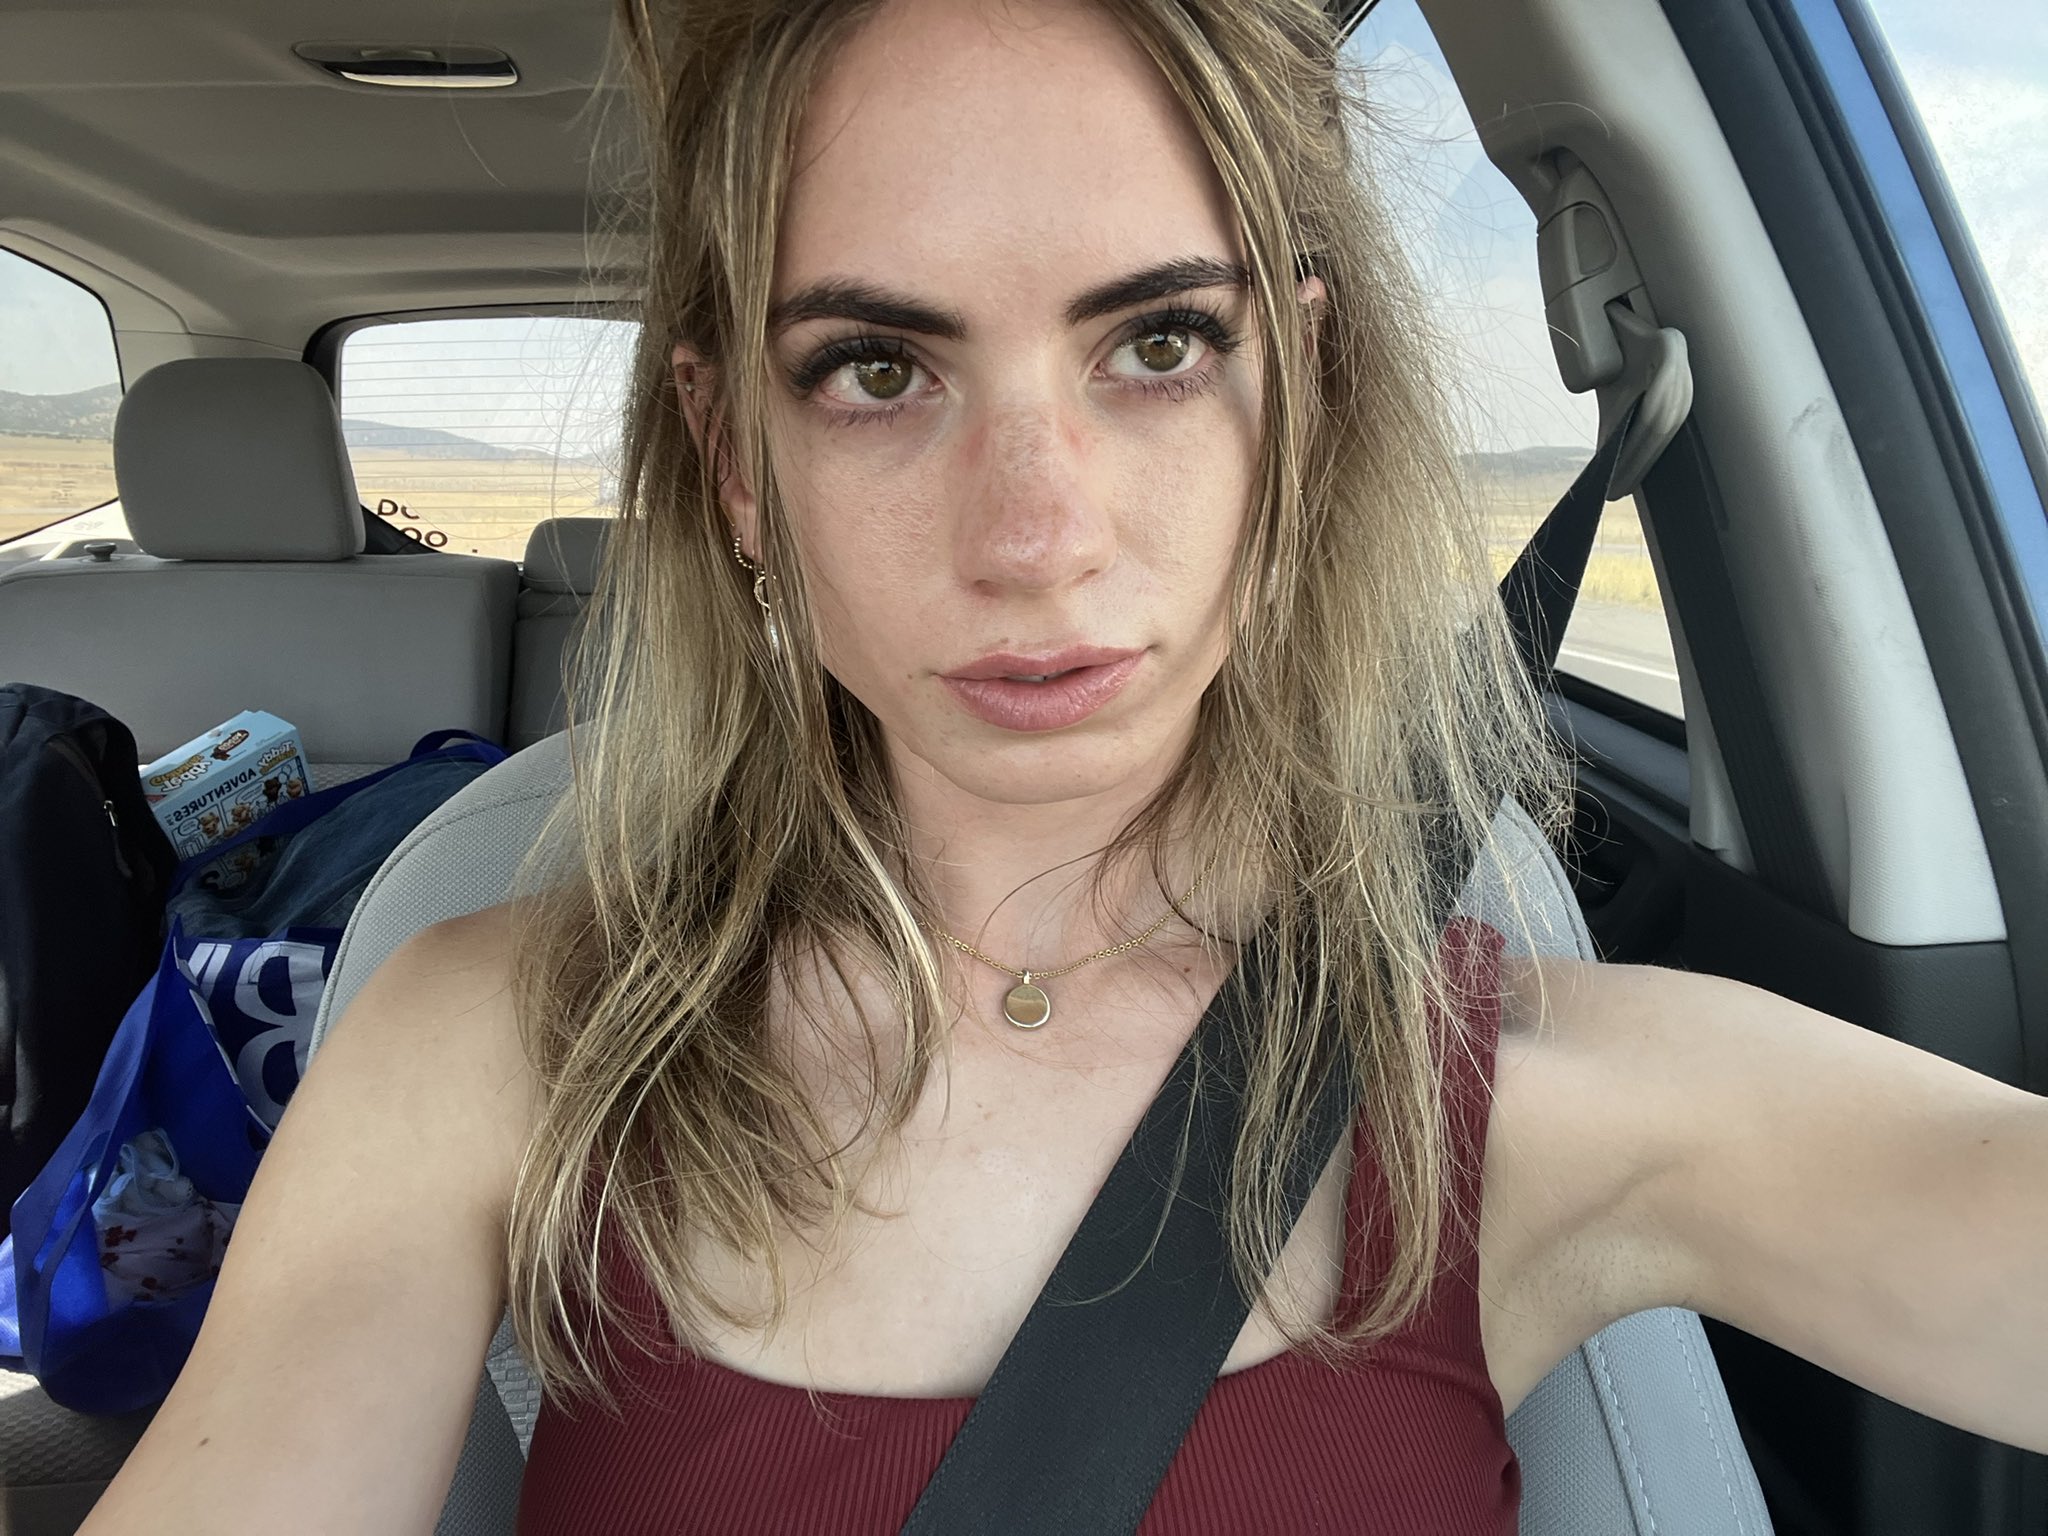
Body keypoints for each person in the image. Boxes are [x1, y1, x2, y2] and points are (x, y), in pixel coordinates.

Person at [82, 0, 2047, 1530]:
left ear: (1296, 395)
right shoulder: (485, 1053)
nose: (1036, 534)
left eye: (1158, 346)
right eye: (879, 370)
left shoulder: (1543, 1099)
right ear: (735, 460)